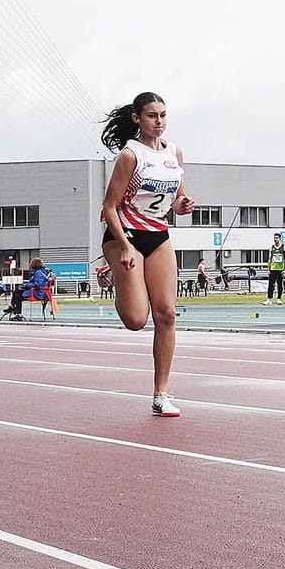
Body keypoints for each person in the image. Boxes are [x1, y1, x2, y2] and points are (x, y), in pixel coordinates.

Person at [99, 91, 195, 418]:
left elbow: (177, 201)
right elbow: (109, 207)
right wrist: (124, 246)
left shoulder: (174, 153)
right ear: (137, 119)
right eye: (152, 116)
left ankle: (161, 394)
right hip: (124, 236)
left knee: (166, 314)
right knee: (137, 320)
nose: (159, 122)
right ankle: (118, 277)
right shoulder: (130, 155)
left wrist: (182, 206)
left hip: (158, 236)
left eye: (164, 115)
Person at [264, 234, 285, 306]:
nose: (275, 239)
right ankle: (269, 299)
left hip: (280, 269)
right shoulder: (271, 248)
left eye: (276, 238)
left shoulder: (284, 247)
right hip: (273, 269)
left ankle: (279, 299)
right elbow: (269, 259)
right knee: (271, 284)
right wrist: (268, 269)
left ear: (280, 239)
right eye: (274, 238)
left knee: (280, 284)